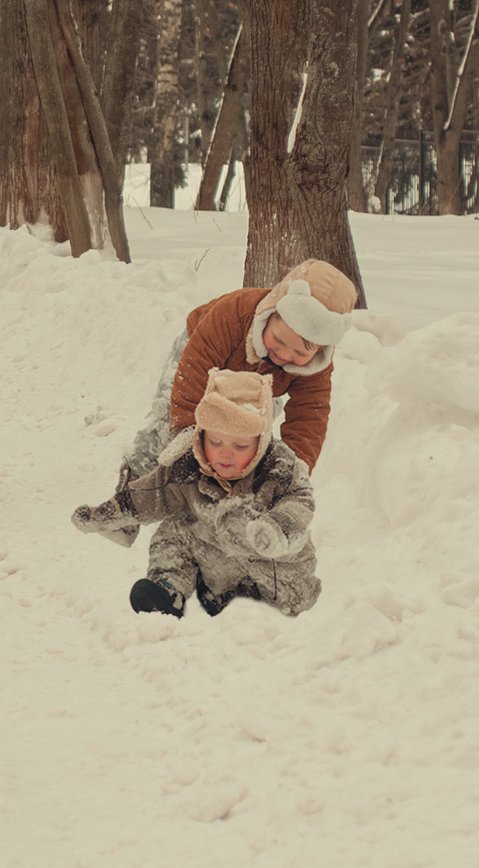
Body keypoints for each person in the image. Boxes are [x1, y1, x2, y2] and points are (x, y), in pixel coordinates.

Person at [73, 370, 321, 618]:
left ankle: (272, 610)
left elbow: (299, 502)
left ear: (262, 442)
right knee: (174, 530)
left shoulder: (279, 468)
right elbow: (153, 492)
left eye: (240, 446)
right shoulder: (188, 466)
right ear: (201, 435)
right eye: (215, 442)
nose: (225, 454)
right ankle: (168, 588)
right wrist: (109, 512)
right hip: (217, 560)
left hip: (273, 568)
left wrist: (278, 528)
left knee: (290, 593)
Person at [118, 259, 358, 485]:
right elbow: (194, 368)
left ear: (319, 350)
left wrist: (292, 470)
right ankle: (136, 481)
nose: (284, 355)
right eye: (278, 339)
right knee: (169, 420)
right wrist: (187, 432)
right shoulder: (234, 312)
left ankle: (218, 493)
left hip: (259, 381)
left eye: (300, 353)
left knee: (245, 432)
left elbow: (309, 418)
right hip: (201, 358)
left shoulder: (316, 368)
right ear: (270, 313)